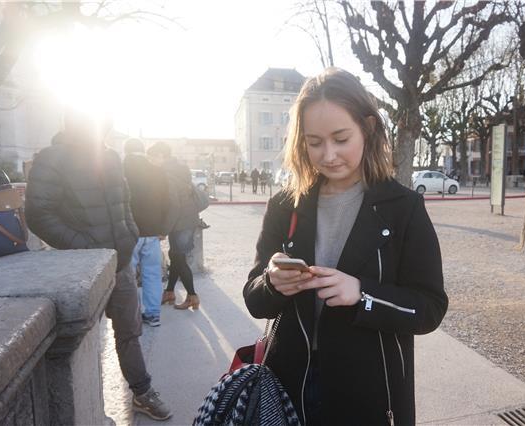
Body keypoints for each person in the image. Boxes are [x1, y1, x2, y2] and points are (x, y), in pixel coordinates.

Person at [243, 68, 448, 425]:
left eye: (341, 138)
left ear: (367, 129)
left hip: (370, 391)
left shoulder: (403, 208)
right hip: (288, 385)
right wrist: (273, 282)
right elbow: (254, 299)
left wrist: (362, 294)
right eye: (314, 141)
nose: (328, 155)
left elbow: (429, 309)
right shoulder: (284, 205)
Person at [25, 110, 171, 420]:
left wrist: (129, 235)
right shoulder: (52, 158)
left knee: (129, 332)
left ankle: (142, 392)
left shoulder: (110, 157)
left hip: (119, 263)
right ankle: (86, 411)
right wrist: (87, 247)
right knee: (83, 341)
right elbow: (38, 214)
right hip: (82, 268)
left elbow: (125, 203)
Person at [147, 142, 201, 310]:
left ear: (162, 156)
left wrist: (164, 230)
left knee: (179, 259)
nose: (151, 160)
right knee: (176, 256)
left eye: (153, 156)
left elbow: (174, 205)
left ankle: (192, 296)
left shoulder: (167, 174)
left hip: (180, 223)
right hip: (187, 220)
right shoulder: (181, 169)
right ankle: (169, 292)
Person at [123, 138, 170, 327]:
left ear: (126, 151)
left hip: (128, 232)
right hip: (152, 232)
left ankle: (129, 317)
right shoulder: (157, 171)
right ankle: (153, 314)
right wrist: (162, 229)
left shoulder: (118, 169)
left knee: (127, 276)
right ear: (143, 151)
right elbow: (166, 202)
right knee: (152, 274)